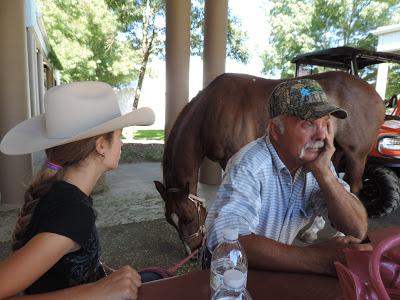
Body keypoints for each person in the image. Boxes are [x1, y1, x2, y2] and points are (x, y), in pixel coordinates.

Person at [0, 81, 155, 299]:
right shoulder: (73, 213)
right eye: (120, 135)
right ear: (101, 145)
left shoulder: (63, 194)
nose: (122, 144)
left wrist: (98, 272)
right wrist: (96, 291)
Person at [203, 79, 371, 276]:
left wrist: (325, 174)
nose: (322, 136)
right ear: (276, 130)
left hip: (271, 270)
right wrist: (318, 259)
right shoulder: (250, 164)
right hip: (228, 273)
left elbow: (357, 229)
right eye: (308, 124)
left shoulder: (318, 162)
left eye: (326, 123)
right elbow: (227, 239)